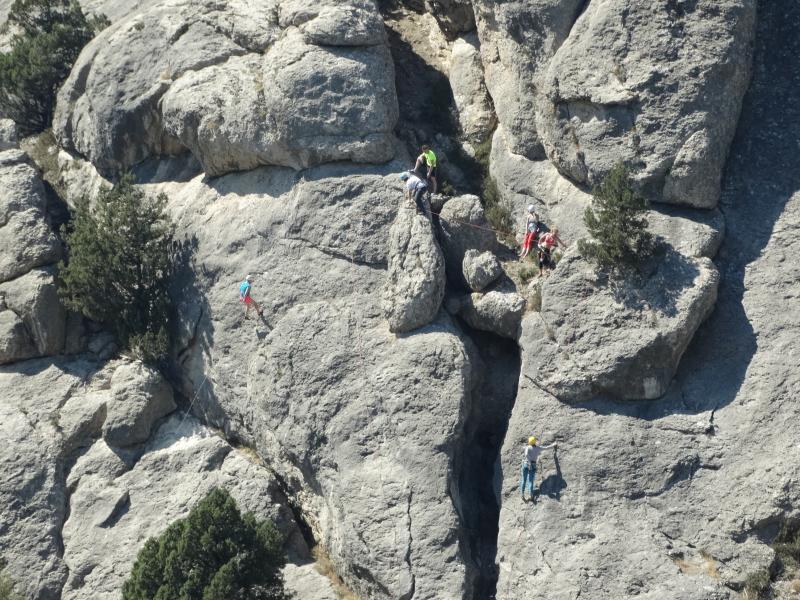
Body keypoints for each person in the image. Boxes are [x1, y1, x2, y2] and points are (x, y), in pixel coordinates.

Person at [521, 436, 557, 501]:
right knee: (530, 481)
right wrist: (553, 445)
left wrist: (529, 461)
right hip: (533, 465)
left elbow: (526, 454)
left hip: (526, 464)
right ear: (535, 442)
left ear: (529, 442)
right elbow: (546, 448)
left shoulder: (527, 447)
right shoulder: (538, 448)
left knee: (524, 479)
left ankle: (522, 494)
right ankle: (531, 495)